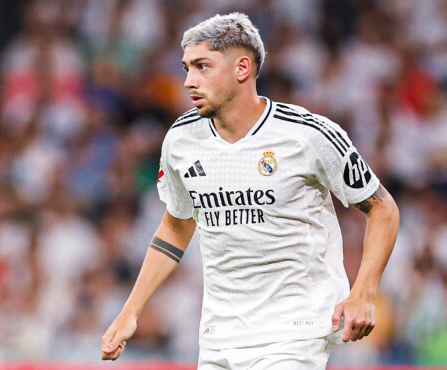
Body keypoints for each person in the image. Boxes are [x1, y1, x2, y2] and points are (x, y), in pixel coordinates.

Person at [101, 12, 399, 369]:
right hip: (218, 338)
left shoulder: (307, 135)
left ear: (242, 68)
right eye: (186, 69)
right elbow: (175, 227)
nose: (188, 81)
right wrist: (130, 312)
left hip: (292, 333)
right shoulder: (181, 140)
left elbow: (383, 208)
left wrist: (364, 293)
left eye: (202, 67)